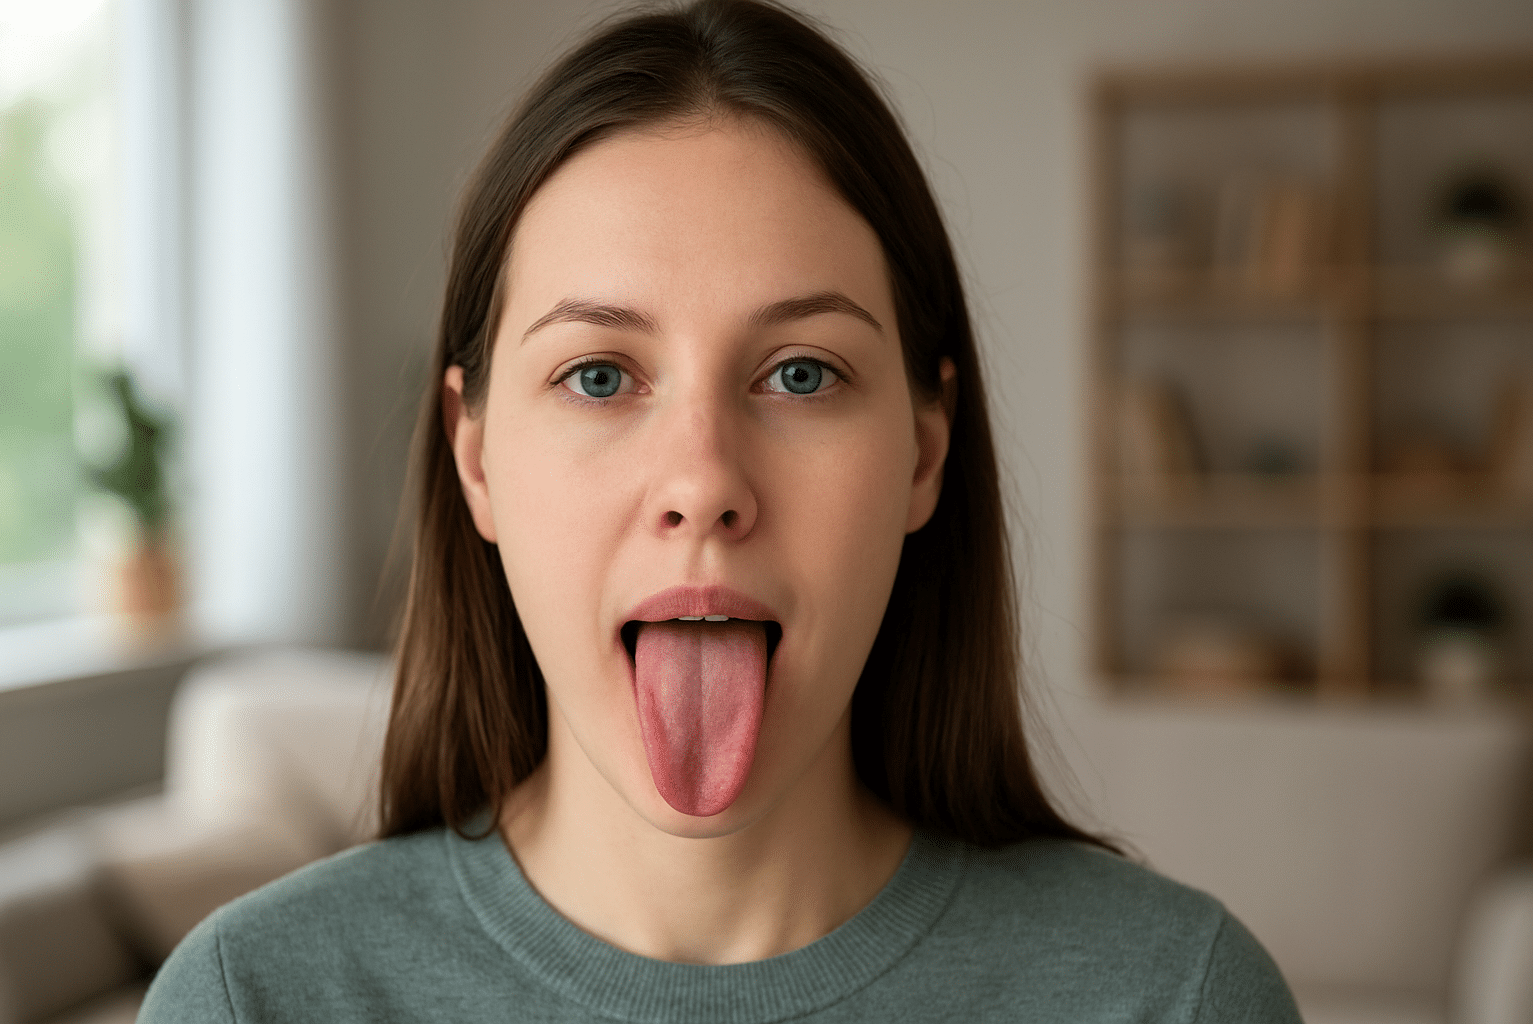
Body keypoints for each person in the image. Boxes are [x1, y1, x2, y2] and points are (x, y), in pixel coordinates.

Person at [140, 1, 1302, 1020]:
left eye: (801, 373)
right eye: (599, 375)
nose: (703, 481)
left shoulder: (1179, 997)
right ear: (477, 457)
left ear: (924, 452)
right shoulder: (252, 1002)